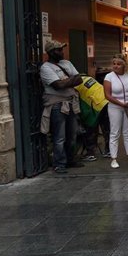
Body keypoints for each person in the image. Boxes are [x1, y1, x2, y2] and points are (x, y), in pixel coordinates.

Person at [40, 40, 83, 174]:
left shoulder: (67, 63)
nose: (62, 52)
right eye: (59, 50)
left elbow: (79, 79)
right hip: (56, 104)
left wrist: (65, 81)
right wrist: (71, 80)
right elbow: (58, 86)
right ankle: (59, 163)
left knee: (72, 133)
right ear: (51, 52)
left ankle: (70, 159)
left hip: (70, 102)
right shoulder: (46, 68)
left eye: (61, 49)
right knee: (59, 136)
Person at [104, 54, 128, 169]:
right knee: (115, 132)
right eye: (114, 64)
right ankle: (113, 158)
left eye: (118, 64)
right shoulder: (109, 77)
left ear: (124, 65)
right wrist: (121, 104)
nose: (115, 66)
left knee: (127, 132)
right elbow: (107, 95)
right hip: (115, 107)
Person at [75, 73, 110, 161]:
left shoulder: (75, 86)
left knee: (90, 128)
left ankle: (90, 153)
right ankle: (109, 151)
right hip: (106, 101)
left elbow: (78, 104)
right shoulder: (88, 78)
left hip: (97, 104)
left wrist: (81, 116)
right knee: (107, 128)